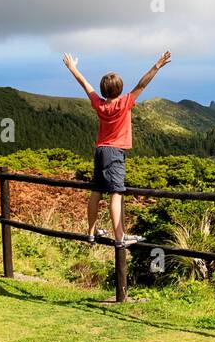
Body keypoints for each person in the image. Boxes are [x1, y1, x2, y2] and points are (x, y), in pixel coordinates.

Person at [61, 50, 171, 247]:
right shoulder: (125, 103)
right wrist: (157, 66)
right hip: (115, 152)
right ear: (120, 89)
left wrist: (73, 68)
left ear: (104, 91)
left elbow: (85, 85)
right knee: (116, 194)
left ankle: (91, 233)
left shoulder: (99, 104)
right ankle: (119, 237)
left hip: (100, 151)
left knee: (96, 192)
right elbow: (142, 84)